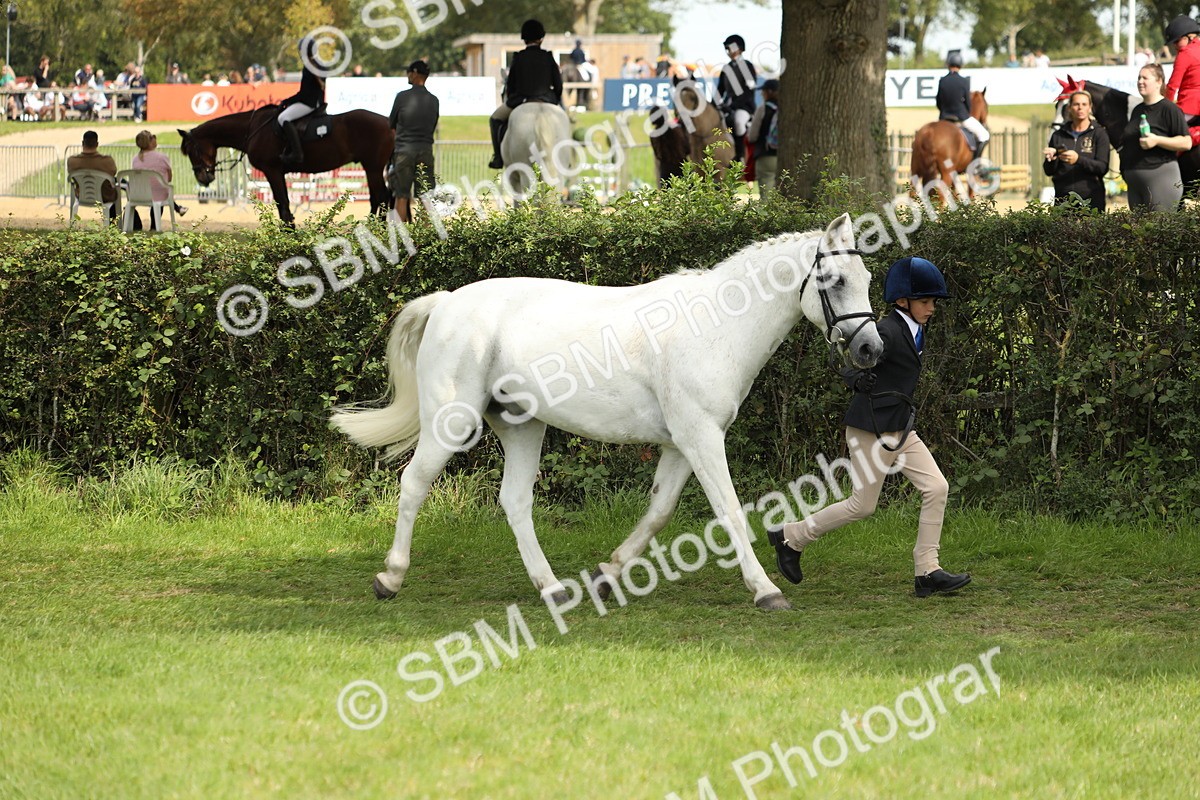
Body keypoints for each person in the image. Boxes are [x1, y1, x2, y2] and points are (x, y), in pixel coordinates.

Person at [766, 256, 971, 599]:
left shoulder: (916, 329)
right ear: (902, 301)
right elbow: (848, 361)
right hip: (870, 429)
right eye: (925, 301)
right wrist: (857, 379)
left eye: (933, 302)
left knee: (937, 487)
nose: (931, 308)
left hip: (900, 429)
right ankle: (792, 536)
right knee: (862, 506)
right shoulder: (886, 330)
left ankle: (927, 571)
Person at [487, 19, 561, 170]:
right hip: (547, 99)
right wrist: (554, 100)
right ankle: (568, 157)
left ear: (524, 39)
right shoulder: (548, 57)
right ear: (541, 38)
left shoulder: (518, 57)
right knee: (564, 121)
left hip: (521, 100)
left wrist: (512, 97)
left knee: (495, 119)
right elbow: (558, 84)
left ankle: (498, 158)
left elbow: (511, 85)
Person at [1120, 63, 1192, 211]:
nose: (1140, 81)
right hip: (1134, 182)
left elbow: (1186, 142)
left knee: (1159, 225)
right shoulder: (1137, 110)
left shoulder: (1169, 109)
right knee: (1137, 227)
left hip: (1161, 178)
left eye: (1145, 78)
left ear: (1159, 81)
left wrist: (1157, 140)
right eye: (1139, 78)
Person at [387, 60, 439, 222]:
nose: (407, 75)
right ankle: (426, 235)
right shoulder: (434, 100)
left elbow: (391, 124)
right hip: (426, 151)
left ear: (415, 73)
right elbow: (432, 126)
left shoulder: (402, 97)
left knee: (401, 196)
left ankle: (400, 234)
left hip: (404, 151)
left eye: (409, 72)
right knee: (426, 197)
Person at [1042, 91, 1111, 211]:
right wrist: (1052, 160)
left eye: (1084, 104)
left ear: (1090, 107)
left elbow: (1102, 168)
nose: (1080, 108)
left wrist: (1078, 159)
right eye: (1076, 104)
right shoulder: (1058, 135)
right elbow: (1048, 171)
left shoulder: (1099, 134)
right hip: (1063, 199)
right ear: (1069, 108)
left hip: (1091, 199)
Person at [277, 36, 326, 168]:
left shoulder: (309, 67)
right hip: (317, 102)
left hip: (309, 103)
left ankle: (297, 153)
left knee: (283, 118)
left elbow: (304, 94)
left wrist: (287, 101)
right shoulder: (319, 64)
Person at [936, 49, 989, 161]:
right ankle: (975, 161)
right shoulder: (964, 81)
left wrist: (944, 112)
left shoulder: (942, 81)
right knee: (984, 135)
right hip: (961, 117)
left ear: (948, 65)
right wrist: (967, 113)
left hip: (944, 117)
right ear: (960, 65)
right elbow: (968, 103)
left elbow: (938, 102)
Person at [129, 130, 188, 230]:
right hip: (159, 195)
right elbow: (169, 179)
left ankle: (156, 224)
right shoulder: (162, 157)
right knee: (161, 192)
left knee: (157, 191)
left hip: (139, 194)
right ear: (150, 142)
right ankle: (154, 226)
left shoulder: (135, 159)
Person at [716, 34, 757, 163]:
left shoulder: (747, 66)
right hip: (728, 105)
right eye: (727, 49)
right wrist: (714, 103)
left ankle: (740, 156)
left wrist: (734, 105)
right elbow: (720, 90)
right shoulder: (726, 68)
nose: (729, 52)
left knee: (738, 122)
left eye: (731, 48)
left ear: (740, 49)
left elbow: (749, 90)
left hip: (744, 106)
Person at [1163, 15, 1200, 148]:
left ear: (1187, 37)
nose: (1174, 46)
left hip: (1190, 107)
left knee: (1161, 128)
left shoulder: (1184, 54)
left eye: (1176, 41)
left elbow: (1172, 86)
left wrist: (1163, 107)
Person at [67, 130, 119, 223]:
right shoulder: (107, 161)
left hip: (82, 195)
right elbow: (113, 173)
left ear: (82, 143)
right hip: (105, 196)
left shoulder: (72, 161)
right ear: (97, 144)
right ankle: (113, 223)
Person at [747, 78, 779, 198]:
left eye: (763, 91)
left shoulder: (763, 108)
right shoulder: (787, 108)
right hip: (786, 156)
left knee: (766, 195)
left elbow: (752, 136)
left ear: (769, 92)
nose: (762, 94)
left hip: (766, 155)